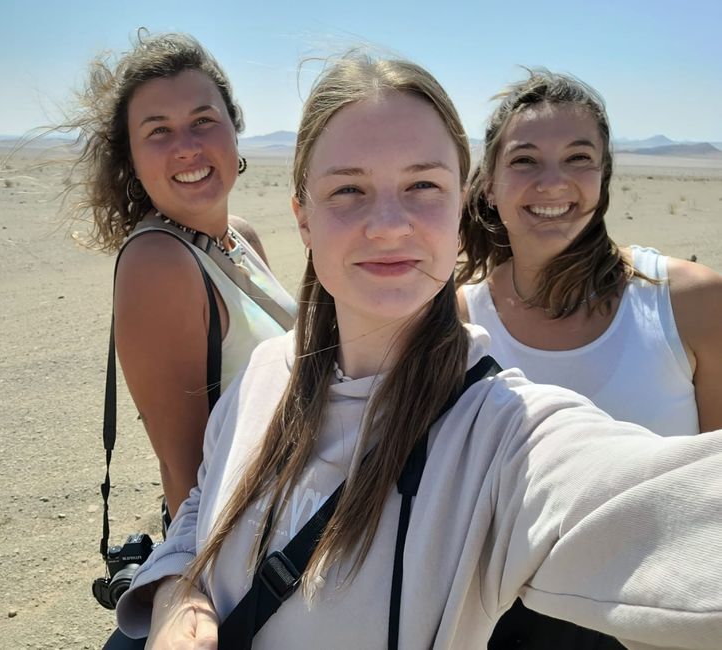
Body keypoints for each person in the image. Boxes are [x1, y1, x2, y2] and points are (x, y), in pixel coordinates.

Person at [114, 54, 722, 649]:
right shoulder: (267, 373)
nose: (387, 223)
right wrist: (175, 592)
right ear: (303, 218)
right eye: (349, 188)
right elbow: (201, 502)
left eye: (423, 185)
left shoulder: (502, 436)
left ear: (460, 209)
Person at [456, 70, 722, 648]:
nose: (554, 183)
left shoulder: (691, 303)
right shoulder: (457, 322)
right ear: (488, 186)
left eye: (579, 158)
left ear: (602, 179)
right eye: (525, 161)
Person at [64, 29, 297, 530]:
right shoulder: (159, 263)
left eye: (202, 121)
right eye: (158, 131)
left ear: (234, 130)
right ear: (131, 158)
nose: (187, 147)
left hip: (300, 518)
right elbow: (185, 470)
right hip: (250, 547)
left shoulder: (243, 238)